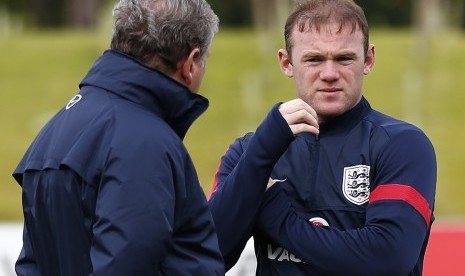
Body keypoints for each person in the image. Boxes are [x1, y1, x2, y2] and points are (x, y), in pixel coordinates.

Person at [208, 0, 437, 275]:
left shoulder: (403, 145)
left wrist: (274, 212)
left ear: (369, 59)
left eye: (344, 58)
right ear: (286, 62)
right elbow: (208, 253)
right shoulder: (250, 152)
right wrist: (260, 155)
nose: (329, 74)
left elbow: (386, 259)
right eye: (314, 59)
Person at [12, 0, 224, 275]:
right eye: (205, 60)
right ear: (191, 63)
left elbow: (32, 265)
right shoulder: (145, 145)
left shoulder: (55, 128)